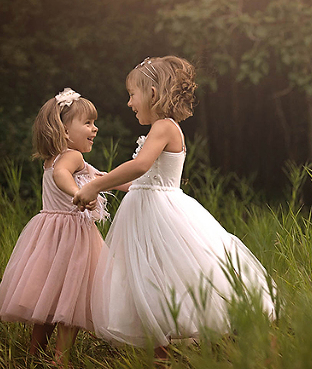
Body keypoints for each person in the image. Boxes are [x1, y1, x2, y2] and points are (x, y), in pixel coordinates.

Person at [73, 56, 276, 353]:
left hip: (161, 215)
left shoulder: (165, 127)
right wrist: (110, 180)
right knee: (150, 278)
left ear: (152, 94)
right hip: (146, 211)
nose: (129, 103)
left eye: (132, 95)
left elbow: (141, 166)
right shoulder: (160, 129)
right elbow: (143, 180)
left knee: (176, 273)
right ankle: (160, 347)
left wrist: (95, 185)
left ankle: (185, 340)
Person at [0, 88, 117, 367]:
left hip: (49, 236)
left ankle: (33, 354)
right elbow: (64, 178)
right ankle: (62, 360)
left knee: (47, 302)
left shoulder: (54, 158)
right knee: (70, 300)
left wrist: (137, 184)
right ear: (64, 129)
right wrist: (77, 192)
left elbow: (104, 178)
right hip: (72, 237)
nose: (94, 129)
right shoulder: (71, 157)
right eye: (87, 123)